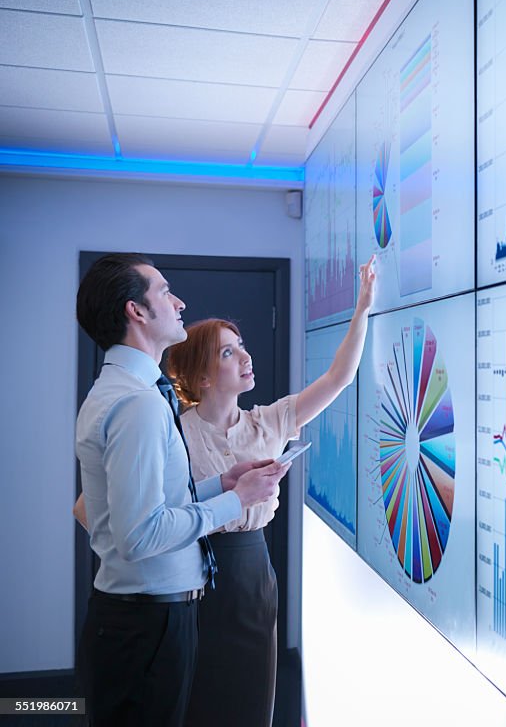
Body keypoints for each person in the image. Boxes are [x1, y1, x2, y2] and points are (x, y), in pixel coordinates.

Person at [74, 253, 290, 727]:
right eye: (164, 291)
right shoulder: (139, 404)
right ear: (136, 311)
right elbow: (140, 534)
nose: (179, 301)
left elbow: (145, 506)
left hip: (139, 619)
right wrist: (235, 501)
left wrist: (221, 484)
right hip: (147, 624)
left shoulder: (124, 391)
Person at [165, 255, 376, 727]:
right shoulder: (175, 432)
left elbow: (338, 377)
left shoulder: (269, 421)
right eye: (227, 352)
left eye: (241, 347)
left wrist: (361, 309)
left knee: (250, 696)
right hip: (192, 575)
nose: (245, 357)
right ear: (201, 377)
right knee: (199, 697)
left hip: (253, 574)